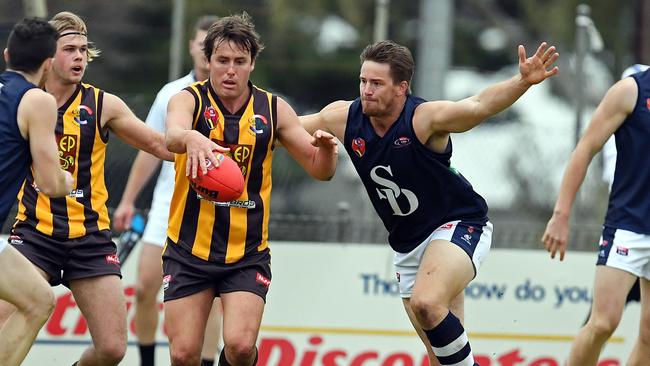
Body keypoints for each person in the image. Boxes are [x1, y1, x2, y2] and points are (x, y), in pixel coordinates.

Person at [301, 40, 559, 366]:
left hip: (458, 223)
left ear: (401, 88)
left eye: (377, 83)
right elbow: (284, 129)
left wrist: (521, 81)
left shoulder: (424, 119)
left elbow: (479, 105)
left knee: (426, 302)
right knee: (441, 358)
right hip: (407, 244)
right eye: (363, 81)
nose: (366, 90)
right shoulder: (343, 118)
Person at [163, 13, 337, 366]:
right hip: (187, 250)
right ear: (207, 60)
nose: (230, 70)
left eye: (239, 62)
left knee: (241, 347)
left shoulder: (273, 109)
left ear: (252, 63)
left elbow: (321, 171)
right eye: (222, 61)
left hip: (246, 252)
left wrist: (329, 151)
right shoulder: (188, 100)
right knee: (183, 355)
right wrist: (192, 137)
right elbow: (172, 135)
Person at [0, 11, 173, 366]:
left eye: (83, 49)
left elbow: (157, 143)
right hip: (35, 236)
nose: (79, 56)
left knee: (112, 349)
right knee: (6, 315)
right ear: (48, 57)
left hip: (89, 239)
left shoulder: (102, 104)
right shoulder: (25, 101)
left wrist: (205, 150)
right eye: (69, 49)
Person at [111, 15, 223, 366]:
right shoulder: (171, 93)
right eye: (201, 44)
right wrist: (128, 200)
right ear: (191, 46)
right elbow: (150, 149)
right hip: (167, 205)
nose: (206, 53)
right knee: (145, 287)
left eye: (213, 47)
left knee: (213, 297)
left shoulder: (233, 97)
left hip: (214, 208)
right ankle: (147, 361)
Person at [543, 63, 650, 365]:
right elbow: (586, 148)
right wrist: (561, 214)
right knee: (604, 322)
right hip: (628, 226)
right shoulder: (631, 90)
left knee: (649, 335)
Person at [0, 18, 74, 366]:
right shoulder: (38, 101)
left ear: (6, 55)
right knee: (38, 302)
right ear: (48, 64)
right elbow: (50, 184)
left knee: (37, 298)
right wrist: (69, 179)